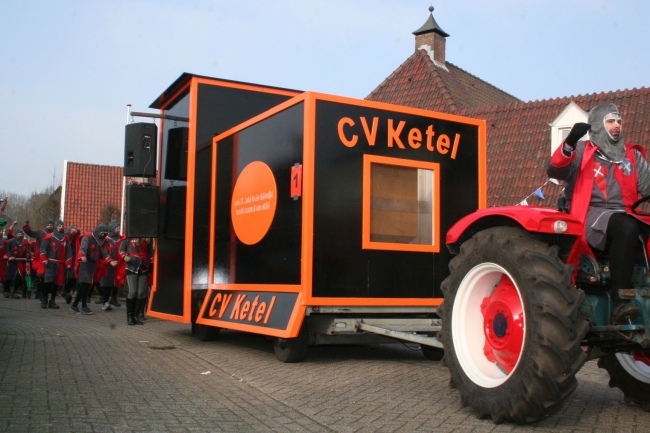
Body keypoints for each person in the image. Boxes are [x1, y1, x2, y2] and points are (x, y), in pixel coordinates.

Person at [547, 103, 650, 324]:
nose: (617, 125)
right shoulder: (582, 151)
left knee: (631, 224)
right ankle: (620, 301)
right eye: (610, 121)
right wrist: (569, 143)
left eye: (619, 121)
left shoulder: (631, 155)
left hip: (627, 212)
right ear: (598, 125)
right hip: (591, 213)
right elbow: (555, 170)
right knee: (626, 227)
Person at [71, 224, 117, 315]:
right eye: (102, 234)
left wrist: (110, 261)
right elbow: (83, 249)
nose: (104, 236)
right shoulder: (87, 238)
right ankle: (84, 306)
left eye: (105, 234)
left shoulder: (102, 241)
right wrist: (82, 256)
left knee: (85, 286)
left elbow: (104, 253)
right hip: (85, 263)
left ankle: (74, 305)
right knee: (84, 285)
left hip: (93, 265)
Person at [39, 220, 73, 309]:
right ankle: (44, 298)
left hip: (60, 264)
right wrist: (44, 258)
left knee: (57, 283)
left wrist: (68, 262)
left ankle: (52, 301)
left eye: (62, 226)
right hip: (50, 262)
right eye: (59, 226)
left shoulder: (66, 239)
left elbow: (69, 251)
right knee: (48, 281)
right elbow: (43, 248)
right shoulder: (49, 237)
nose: (61, 227)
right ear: (56, 227)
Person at [119, 237, 153, 325]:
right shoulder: (128, 237)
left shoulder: (147, 238)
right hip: (131, 265)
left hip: (144, 266)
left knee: (141, 292)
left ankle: (136, 316)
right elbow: (121, 249)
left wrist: (151, 266)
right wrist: (124, 256)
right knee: (133, 291)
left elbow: (150, 252)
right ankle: (130, 316)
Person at [23, 218, 54, 300]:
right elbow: (30, 233)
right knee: (41, 276)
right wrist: (27, 226)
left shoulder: (55, 234)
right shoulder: (40, 233)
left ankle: (44, 293)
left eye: (51, 225)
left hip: (51, 257)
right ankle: (39, 293)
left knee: (49, 277)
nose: (49, 226)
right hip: (41, 257)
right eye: (48, 225)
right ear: (45, 226)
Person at [98, 220, 124, 311]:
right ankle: (105, 301)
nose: (118, 230)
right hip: (108, 265)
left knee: (116, 281)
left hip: (118, 264)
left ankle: (113, 298)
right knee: (107, 283)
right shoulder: (106, 240)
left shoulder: (121, 239)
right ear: (112, 229)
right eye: (117, 228)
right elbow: (103, 252)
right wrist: (109, 261)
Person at [3, 228, 32, 299]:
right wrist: (9, 256)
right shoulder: (10, 242)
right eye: (19, 234)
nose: (20, 236)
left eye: (21, 234)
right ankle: (6, 290)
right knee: (9, 277)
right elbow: (6, 251)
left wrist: (28, 255)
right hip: (12, 261)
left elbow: (27, 251)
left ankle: (14, 291)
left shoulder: (24, 243)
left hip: (21, 262)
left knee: (19, 277)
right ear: (15, 235)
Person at [61, 226, 80, 303]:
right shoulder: (66, 238)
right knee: (68, 277)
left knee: (74, 278)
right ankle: (65, 291)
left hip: (75, 260)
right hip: (68, 260)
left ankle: (67, 292)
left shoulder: (76, 239)